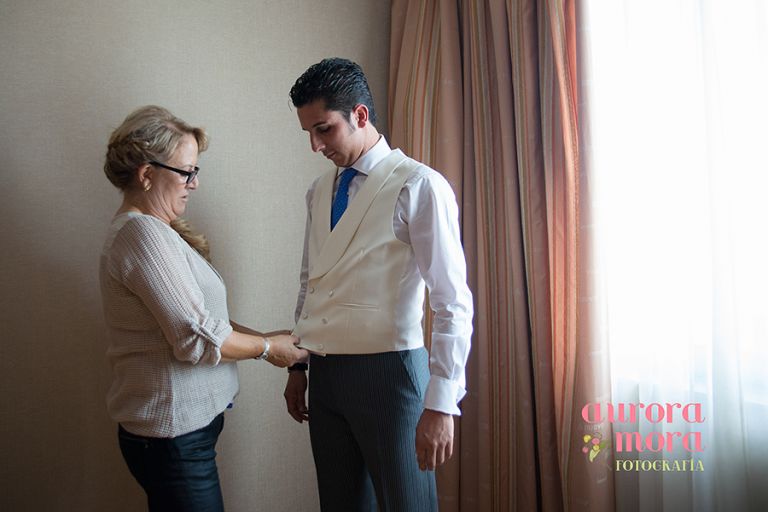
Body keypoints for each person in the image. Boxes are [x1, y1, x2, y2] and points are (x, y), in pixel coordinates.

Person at [283, 58, 474, 511]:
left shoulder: (420, 186)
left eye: (324, 129)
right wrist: (299, 365)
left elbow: (451, 301)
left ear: (360, 116)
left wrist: (442, 402)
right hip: (326, 375)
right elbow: (311, 280)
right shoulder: (318, 191)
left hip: (391, 376)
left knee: (408, 504)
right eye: (308, 132)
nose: (315, 145)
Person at [100, 105, 308, 512]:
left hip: (182, 436)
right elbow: (195, 337)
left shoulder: (156, 232)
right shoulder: (142, 235)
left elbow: (202, 321)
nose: (194, 183)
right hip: (172, 438)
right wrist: (268, 351)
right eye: (187, 171)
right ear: (146, 174)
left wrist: (266, 337)